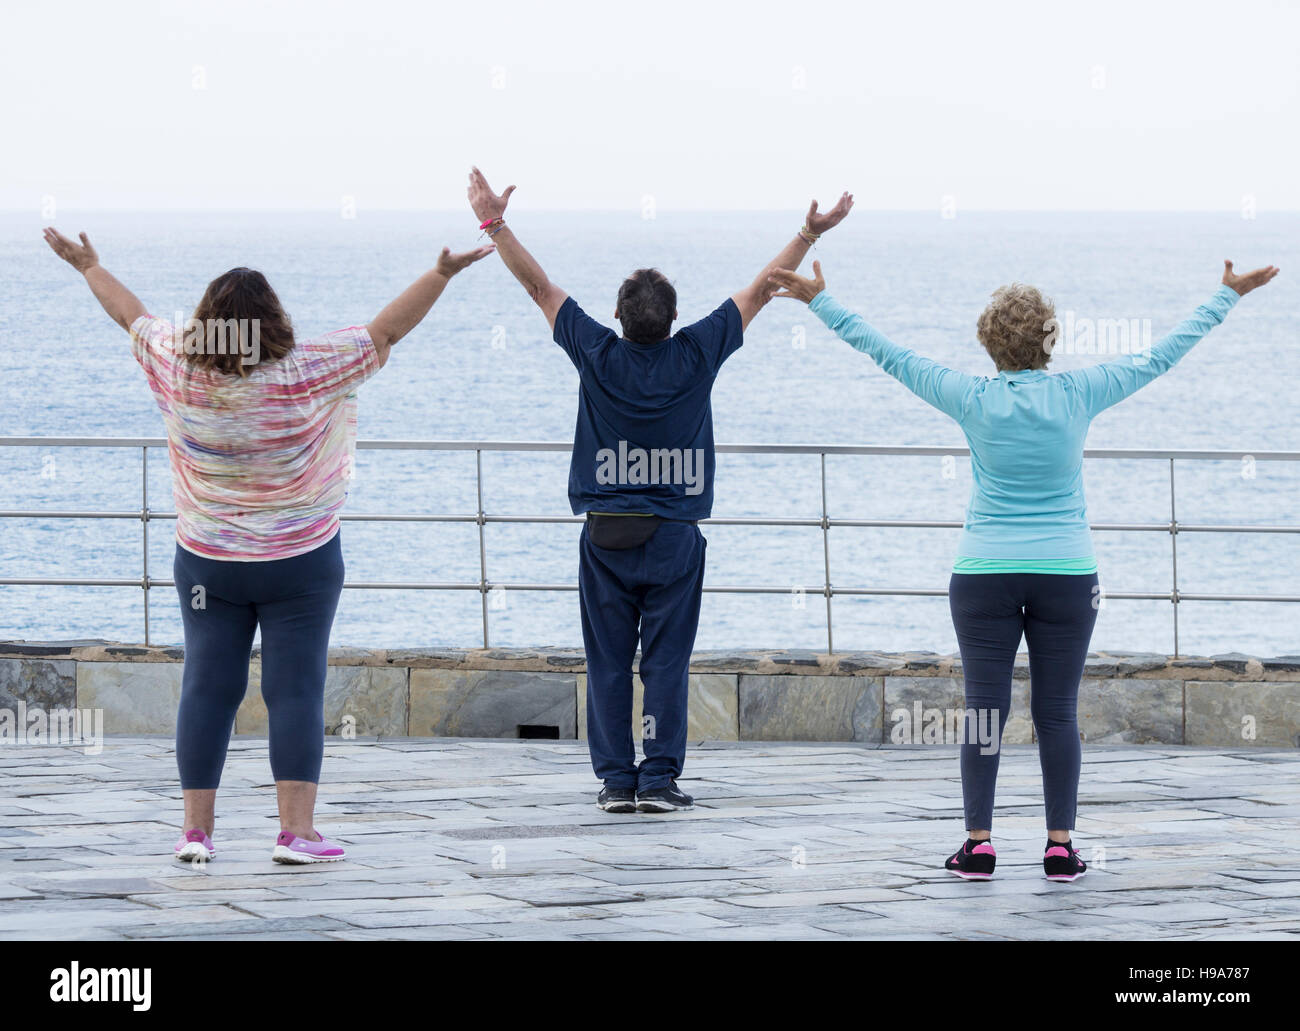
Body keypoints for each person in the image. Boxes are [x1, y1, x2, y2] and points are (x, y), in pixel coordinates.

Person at [769, 256, 1279, 880]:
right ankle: (1060, 847)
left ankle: (978, 845)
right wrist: (1224, 296)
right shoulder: (1079, 392)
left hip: (984, 573)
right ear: (1049, 339)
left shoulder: (971, 397)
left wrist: (821, 302)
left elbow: (890, 354)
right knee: (1056, 712)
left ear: (988, 342)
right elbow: (1159, 356)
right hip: (1067, 573)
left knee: (986, 709)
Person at [43, 226, 493, 864]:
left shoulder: (175, 363)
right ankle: (296, 834)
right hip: (300, 563)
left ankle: (196, 833)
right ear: (274, 320)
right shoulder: (312, 368)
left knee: (207, 686)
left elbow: (128, 315)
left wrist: (89, 265)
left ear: (206, 322)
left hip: (206, 562)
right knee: (296, 690)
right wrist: (441, 274)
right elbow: (386, 331)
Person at [467, 168, 853, 813]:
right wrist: (807, 232)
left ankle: (617, 782)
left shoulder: (595, 350)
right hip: (675, 538)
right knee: (666, 664)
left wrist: (494, 222)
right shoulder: (698, 353)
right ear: (676, 319)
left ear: (617, 315)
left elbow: (537, 287)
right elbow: (760, 293)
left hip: (607, 533)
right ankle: (659, 782)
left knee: (609, 664)